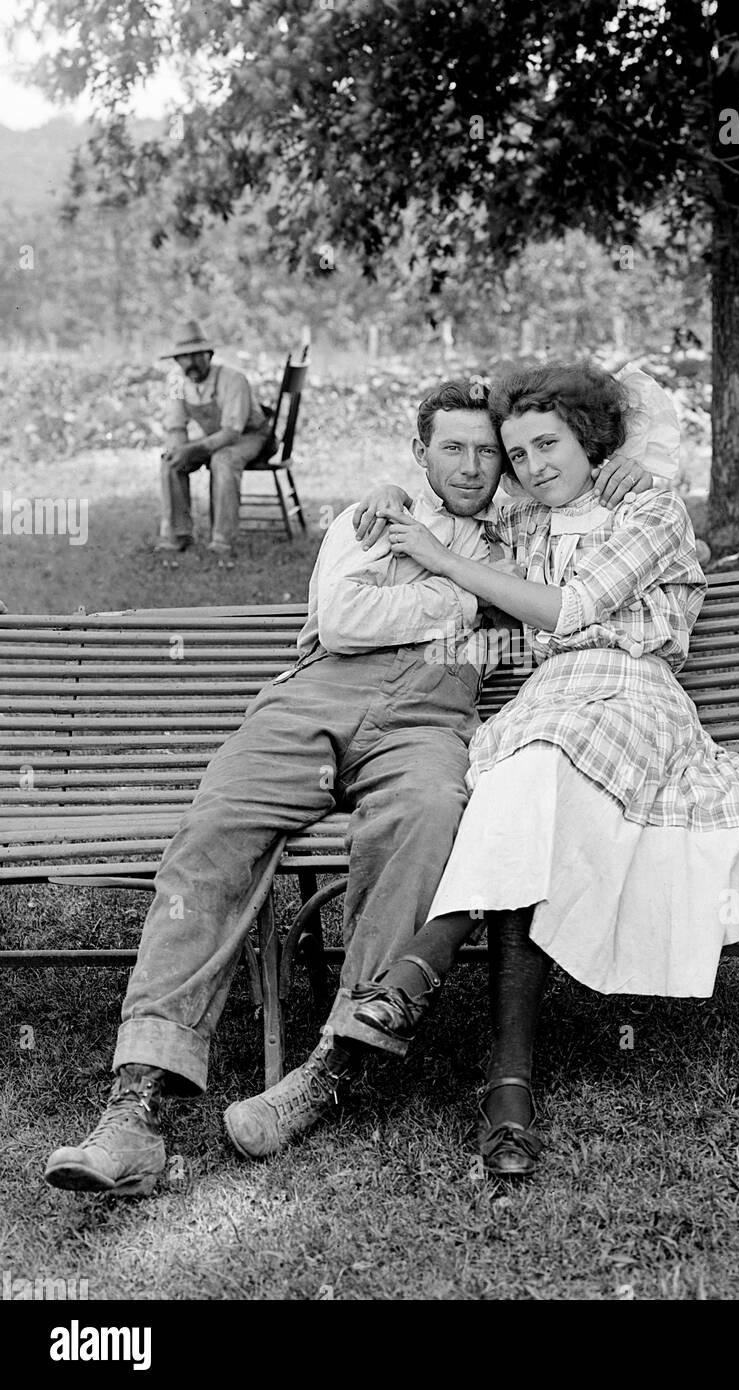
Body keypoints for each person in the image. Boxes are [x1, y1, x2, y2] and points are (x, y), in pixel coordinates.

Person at [43, 377, 650, 1198]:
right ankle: (138, 1107)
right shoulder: (373, 517)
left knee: (432, 814)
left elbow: (597, 520)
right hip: (315, 699)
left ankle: (333, 1065)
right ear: (418, 453)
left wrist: (630, 470)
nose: (472, 467)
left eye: (486, 452)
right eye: (452, 449)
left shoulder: (520, 522)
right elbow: (344, 620)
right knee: (215, 829)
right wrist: (466, 596)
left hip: (428, 723)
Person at [347, 361, 739, 1180]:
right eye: (518, 455)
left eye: (547, 444)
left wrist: (448, 566)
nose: (532, 466)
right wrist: (388, 491)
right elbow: (453, 502)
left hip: (635, 698)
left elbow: (572, 608)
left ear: (588, 438)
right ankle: (506, 1093)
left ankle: (414, 977)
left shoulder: (649, 506)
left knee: (532, 772)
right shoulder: (522, 524)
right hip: (549, 699)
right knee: (527, 793)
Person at [155, 320, 275, 558]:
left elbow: (232, 432)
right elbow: (176, 425)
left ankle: (222, 540)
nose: (191, 363)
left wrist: (193, 450)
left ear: (209, 354)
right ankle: (178, 535)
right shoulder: (177, 383)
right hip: (214, 438)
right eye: (184, 358)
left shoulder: (232, 379)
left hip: (251, 437)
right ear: (177, 361)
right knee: (170, 460)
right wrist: (179, 451)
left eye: (196, 356)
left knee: (223, 460)